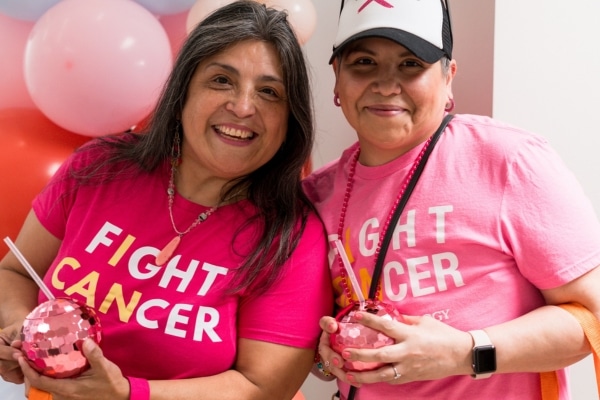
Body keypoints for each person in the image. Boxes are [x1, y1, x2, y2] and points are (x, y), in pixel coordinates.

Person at [0, 1, 333, 399]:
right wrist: (23, 331)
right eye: (221, 81)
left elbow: (264, 387)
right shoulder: (98, 167)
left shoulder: (294, 237)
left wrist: (127, 394)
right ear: (183, 91)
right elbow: (16, 273)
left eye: (269, 91)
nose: (243, 107)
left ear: (289, 118)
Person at [302, 0, 600, 399]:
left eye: (411, 64)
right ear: (337, 78)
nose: (386, 84)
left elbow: (593, 318)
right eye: (364, 63)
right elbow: (314, 338)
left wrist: (465, 352)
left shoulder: (508, 160)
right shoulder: (316, 196)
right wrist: (327, 357)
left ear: (449, 77)